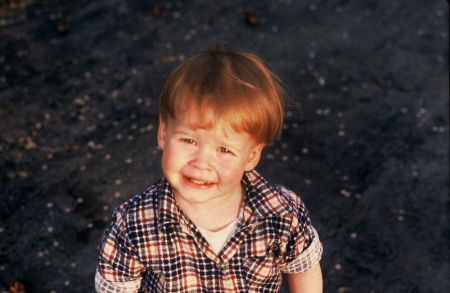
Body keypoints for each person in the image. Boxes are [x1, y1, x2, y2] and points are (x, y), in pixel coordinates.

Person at [95, 46, 323, 293]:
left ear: (251, 156)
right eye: (189, 141)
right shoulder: (134, 226)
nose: (201, 162)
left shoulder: (280, 213)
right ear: (163, 133)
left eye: (224, 150)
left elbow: (304, 268)